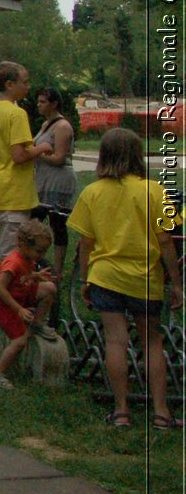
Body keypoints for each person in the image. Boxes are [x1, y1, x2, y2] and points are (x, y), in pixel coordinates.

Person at [68, 128, 183, 428]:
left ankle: (121, 411)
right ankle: (161, 412)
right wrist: (177, 282)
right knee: (152, 343)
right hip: (145, 278)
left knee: (116, 342)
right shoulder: (155, 191)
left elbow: (85, 243)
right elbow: (167, 241)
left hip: (105, 276)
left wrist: (85, 280)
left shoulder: (91, 193)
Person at [0, 61, 52, 284]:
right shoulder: (16, 114)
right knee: (12, 252)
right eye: (24, 82)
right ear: (10, 84)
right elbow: (19, 155)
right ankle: (8, 298)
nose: (28, 87)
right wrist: (41, 148)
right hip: (13, 193)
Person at [0, 219, 58, 389]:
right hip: (6, 303)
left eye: (44, 251)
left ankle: (37, 323)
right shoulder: (13, 262)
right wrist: (18, 309)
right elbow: (0, 287)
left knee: (50, 289)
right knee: (20, 341)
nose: (42, 255)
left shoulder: (28, 258)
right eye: (39, 251)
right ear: (23, 244)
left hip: (22, 292)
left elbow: (24, 276)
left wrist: (35, 276)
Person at [33, 87, 78, 278]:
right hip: (43, 179)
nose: (38, 105)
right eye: (38, 101)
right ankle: (33, 261)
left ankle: (58, 270)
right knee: (34, 221)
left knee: (57, 223)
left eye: (43, 102)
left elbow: (59, 157)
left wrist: (37, 153)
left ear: (54, 104)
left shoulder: (62, 127)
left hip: (58, 181)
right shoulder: (45, 125)